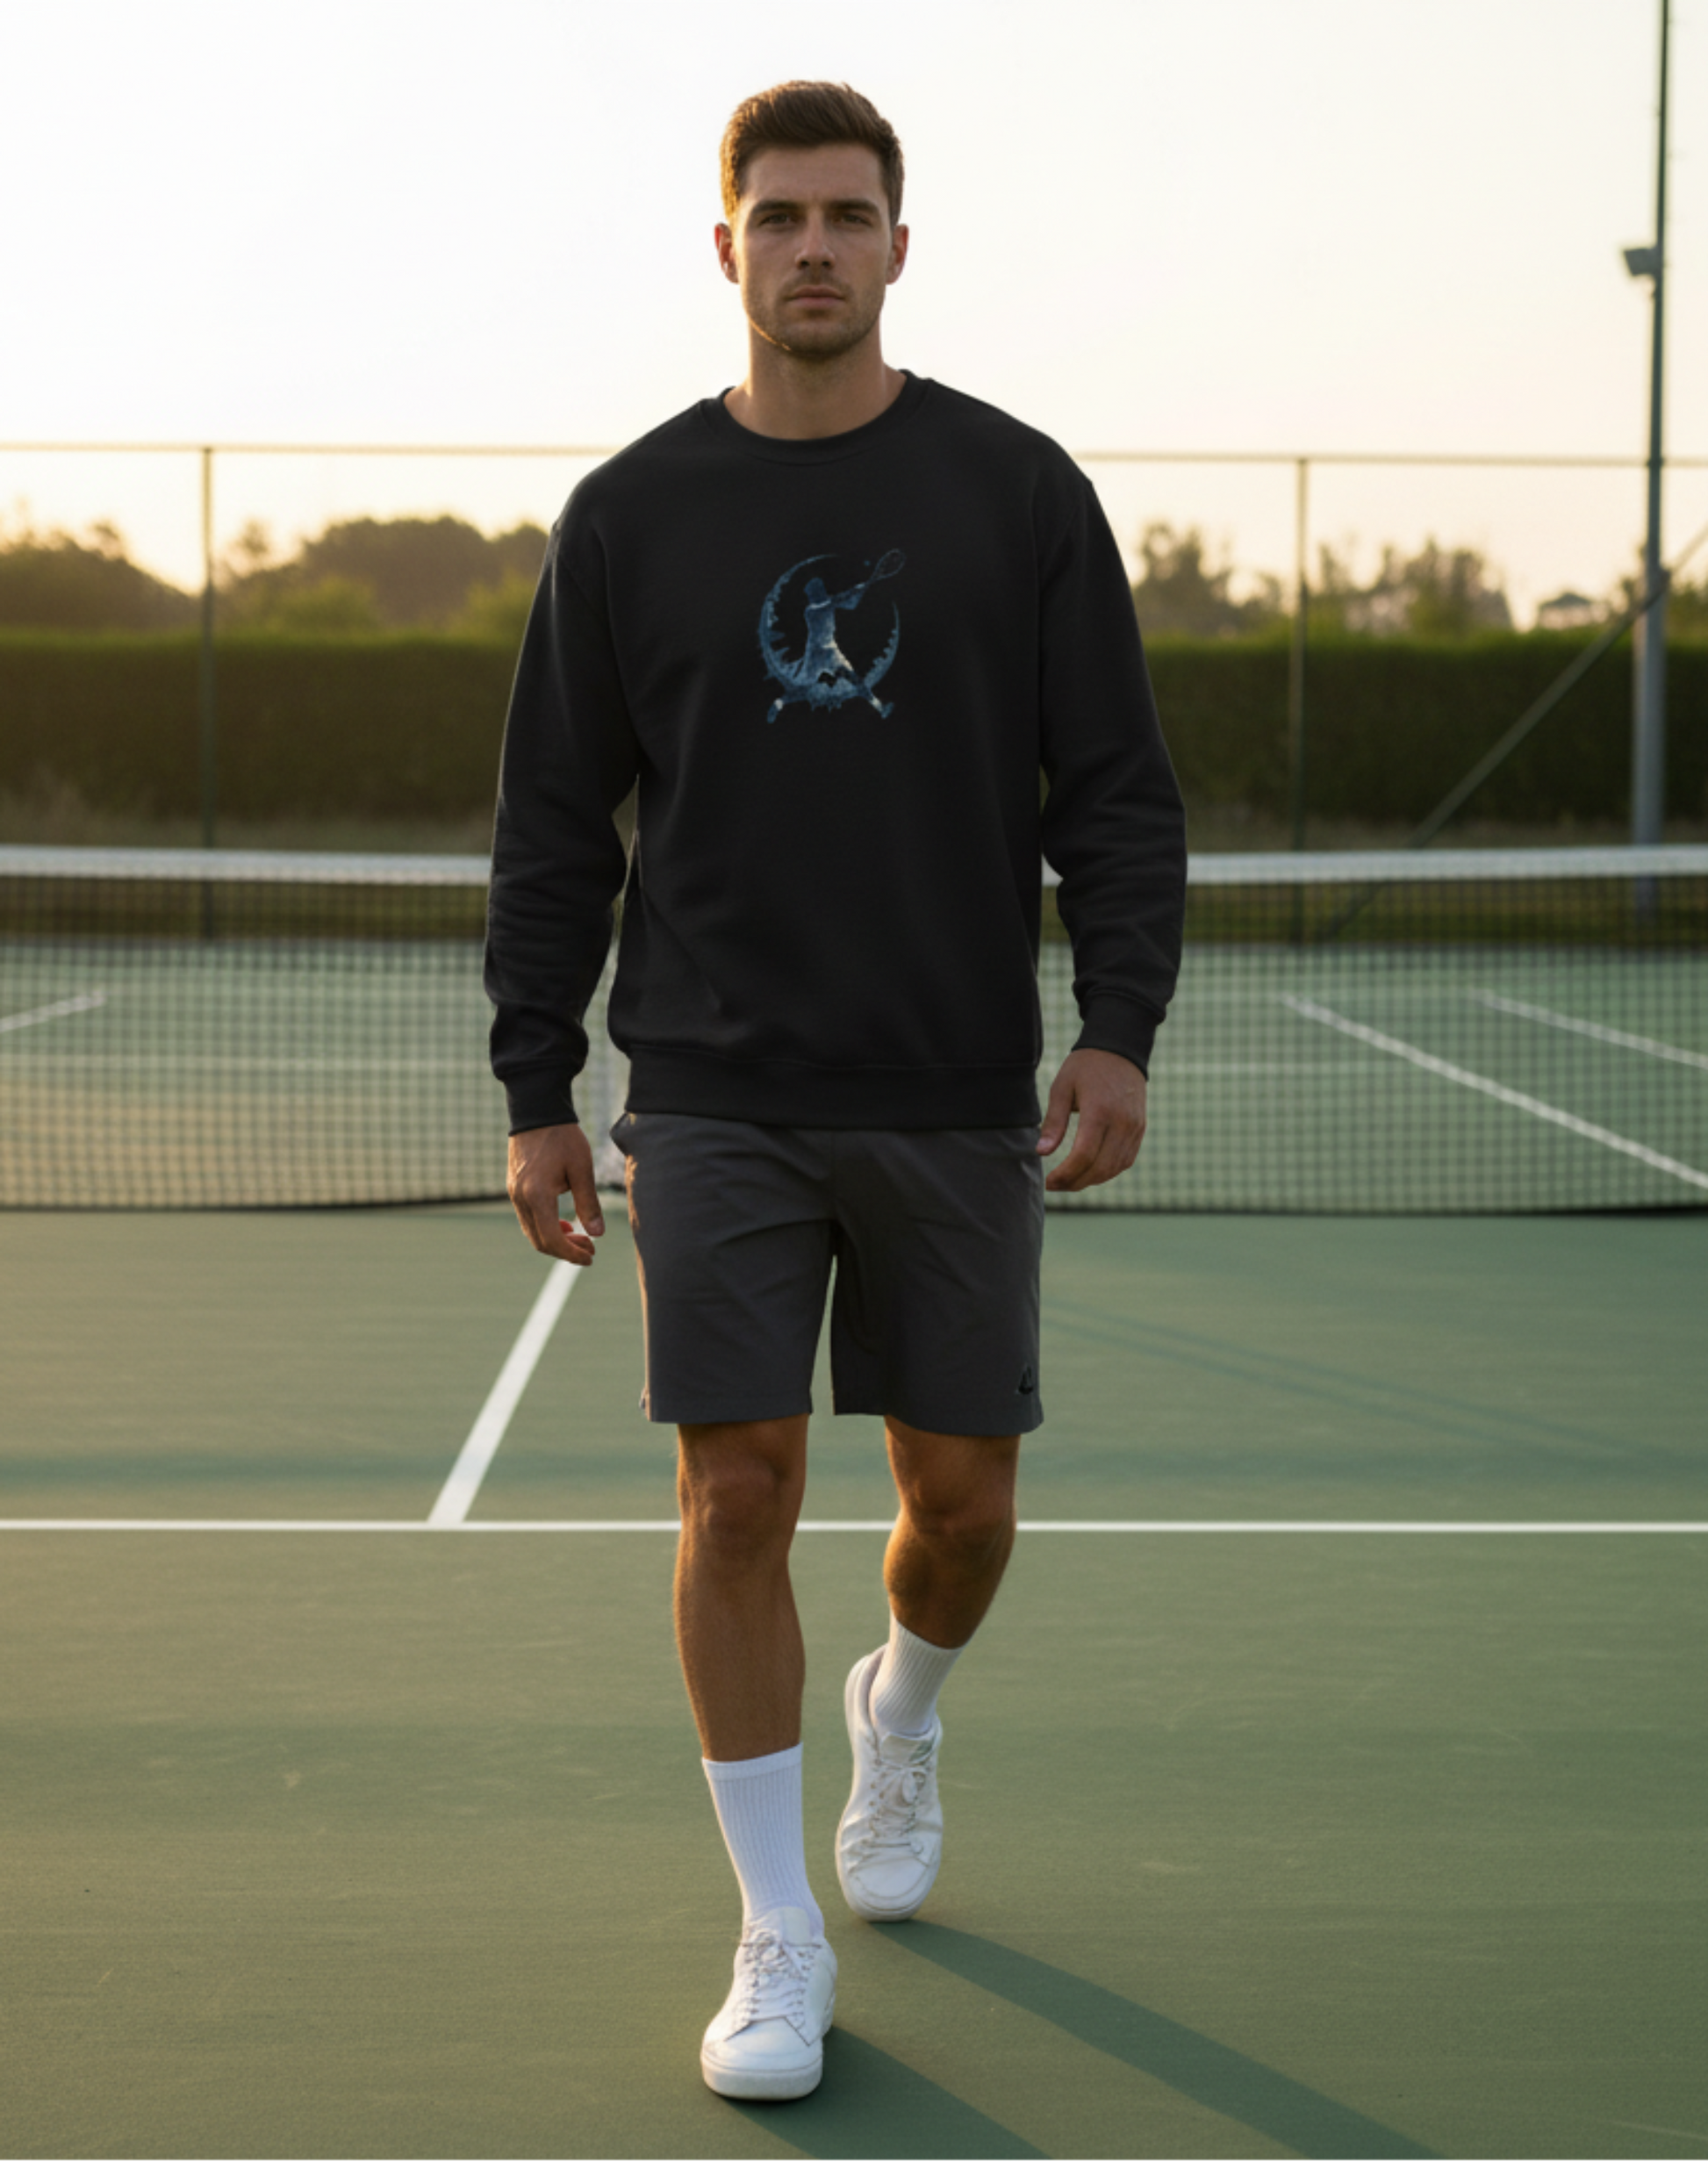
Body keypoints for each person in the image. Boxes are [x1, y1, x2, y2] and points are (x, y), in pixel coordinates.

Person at [485, 80, 1186, 2103]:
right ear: (726, 250)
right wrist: (541, 1082)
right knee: (737, 1492)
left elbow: (1117, 798)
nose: (810, 246)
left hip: (956, 1088)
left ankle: (903, 1712)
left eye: (846, 216)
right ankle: (775, 1926)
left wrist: (1116, 1021)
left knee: (957, 1508)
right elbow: (553, 825)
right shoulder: (629, 516)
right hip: (708, 1088)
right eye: (776, 215)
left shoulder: (1017, 495)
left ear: (897, 246)